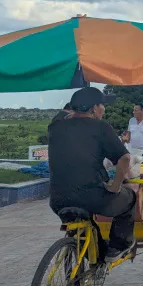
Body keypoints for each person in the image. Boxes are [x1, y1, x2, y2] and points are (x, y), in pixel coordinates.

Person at [48, 87, 135, 262]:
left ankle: (93, 255)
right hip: (92, 196)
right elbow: (124, 159)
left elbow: (62, 116)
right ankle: (117, 247)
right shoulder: (101, 127)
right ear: (94, 108)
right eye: (102, 105)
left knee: (85, 227)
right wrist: (116, 186)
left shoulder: (55, 127)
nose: (104, 109)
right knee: (131, 199)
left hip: (58, 199)